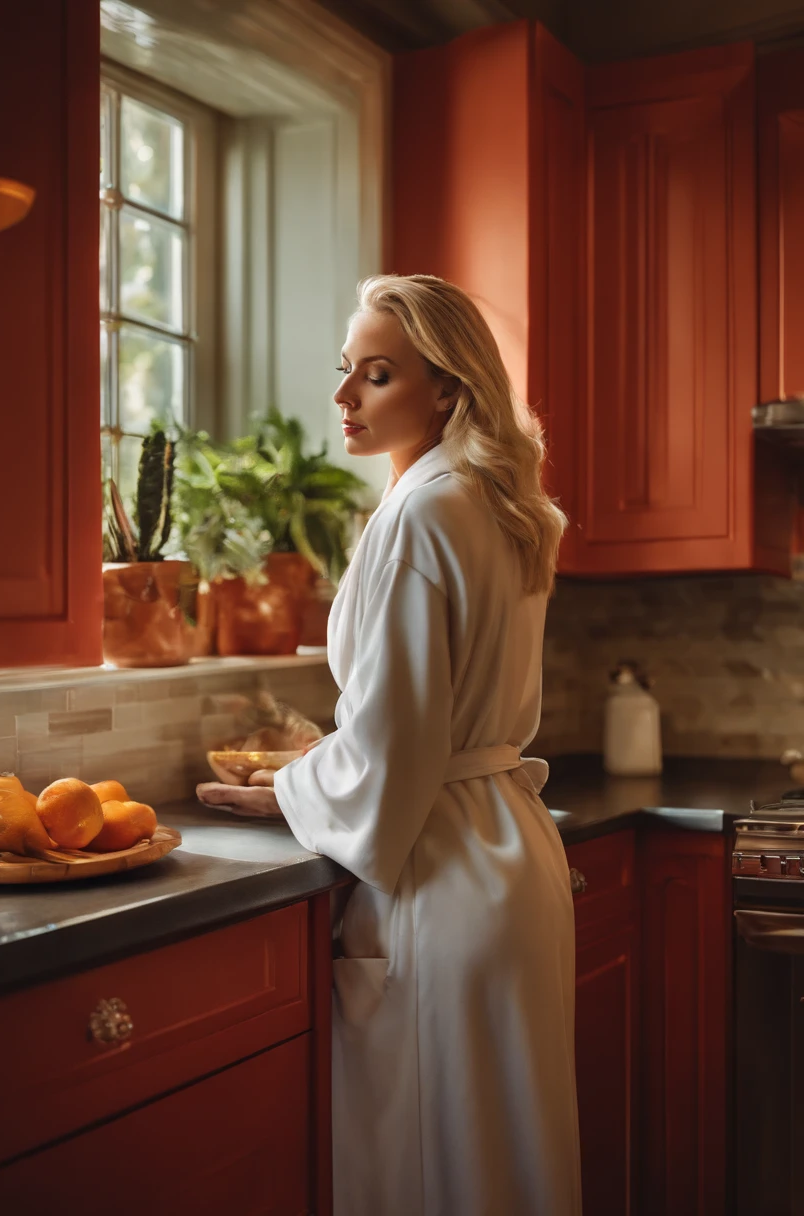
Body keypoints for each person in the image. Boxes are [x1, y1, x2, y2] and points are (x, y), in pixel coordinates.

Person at [199, 274, 582, 1215]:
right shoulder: (497, 500)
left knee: (433, 1171)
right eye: (346, 373)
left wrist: (288, 791)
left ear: (446, 388)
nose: (342, 398)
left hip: (441, 874)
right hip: (513, 858)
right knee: (509, 1164)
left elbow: (394, 741)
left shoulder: (420, 512)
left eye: (376, 376)